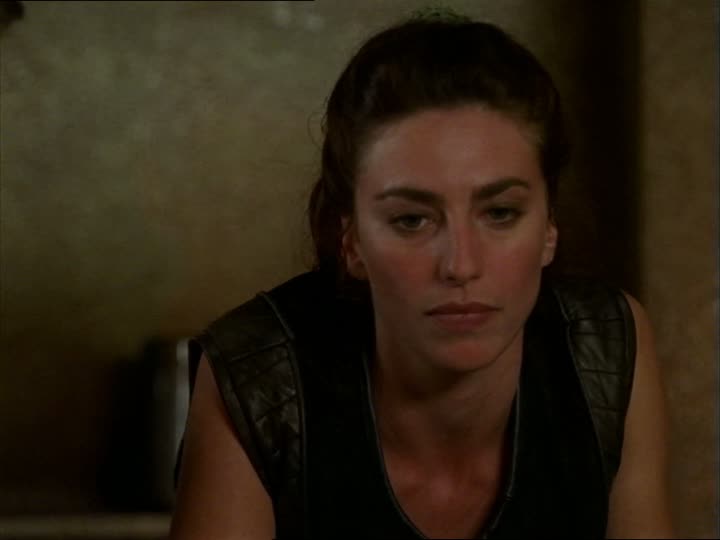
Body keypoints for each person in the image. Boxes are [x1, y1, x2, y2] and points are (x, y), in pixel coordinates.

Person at [169, 10, 673, 539]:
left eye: (500, 213)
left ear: (548, 227)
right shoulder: (257, 376)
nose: (461, 265)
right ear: (352, 243)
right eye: (411, 220)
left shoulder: (605, 348)